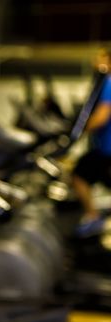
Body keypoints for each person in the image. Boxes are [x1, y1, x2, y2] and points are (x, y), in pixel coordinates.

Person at [73, 49, 111, 236]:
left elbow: (102, 116)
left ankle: (93, 216)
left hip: (108, 148)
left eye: (101, 57)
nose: (95, 60)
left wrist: (81, 129)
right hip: (105, 147)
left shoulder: (109, 83)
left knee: (79, 175)